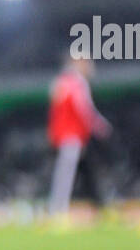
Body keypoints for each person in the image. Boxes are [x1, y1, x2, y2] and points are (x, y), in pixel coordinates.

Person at [47, 53, 111, 218]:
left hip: (62, 135)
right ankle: (58, 212)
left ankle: (60, 209)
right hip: (72, 135)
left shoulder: (62, 81)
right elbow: (84, 109)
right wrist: (100, 126)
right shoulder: (77, 82)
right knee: (66, 175)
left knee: (68, 173)